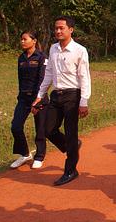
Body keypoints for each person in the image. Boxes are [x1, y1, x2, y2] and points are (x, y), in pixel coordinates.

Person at [32, 16, 91, 186]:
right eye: (56, 28)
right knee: (48, 129)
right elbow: (49, 72)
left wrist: (84, 101)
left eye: (61, 28)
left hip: (73, 96)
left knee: (71, 132)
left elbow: (84, 76)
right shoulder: (53, 49)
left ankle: (70, 170)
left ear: (70, 30)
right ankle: (71, 146)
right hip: (56, 95)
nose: (58, 31)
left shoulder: (80, 50)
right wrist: (40, 94)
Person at [9, 31, 48, 169]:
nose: (22, 42)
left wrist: (38, 100)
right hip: (24, 98)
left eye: (25, 39)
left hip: (38, 97)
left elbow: (42, 79)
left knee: (40, 128)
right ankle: (25, 154)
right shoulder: (21, 58)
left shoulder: (42, 57)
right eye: (21, 39)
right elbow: (20, 80)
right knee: (16, 126)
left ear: (34, 41)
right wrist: (21, 96)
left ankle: (39, 156)